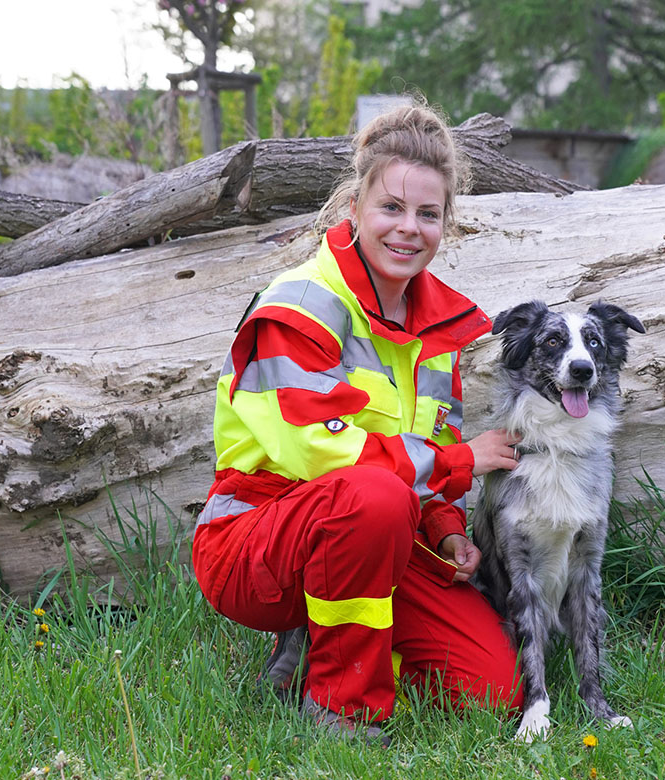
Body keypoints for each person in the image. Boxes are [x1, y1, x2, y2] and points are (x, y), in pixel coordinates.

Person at [191, 103, 524, 745]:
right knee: (372, 494)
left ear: (445, 224)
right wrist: (462, 463)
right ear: (355, 206)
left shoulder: (438, 329)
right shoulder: (300, 306)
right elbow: (325, 456)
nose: (408, 229)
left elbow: (429, 462)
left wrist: (449, 532)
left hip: (377, 534)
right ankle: (343, 712)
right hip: (252, 541)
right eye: (391, 208)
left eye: (428, 214)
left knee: (492, 690)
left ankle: (323, 642)